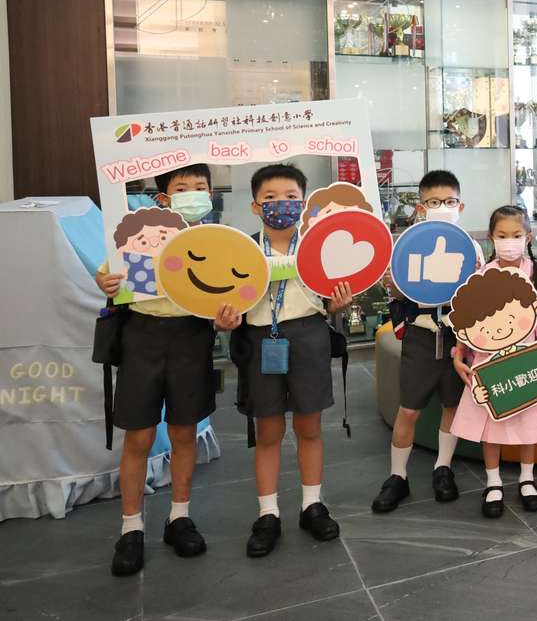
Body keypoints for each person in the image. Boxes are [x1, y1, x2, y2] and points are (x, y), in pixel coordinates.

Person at [96, 164, 237, 577]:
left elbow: (228, 294)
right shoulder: (141, 233)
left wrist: (226, 319)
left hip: (191, 338)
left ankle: (179, 517)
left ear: (210, 194)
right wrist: (106, 283)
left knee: (183, 431)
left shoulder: (215, 241)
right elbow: (107, 274)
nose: (193, 193)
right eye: (182, 187)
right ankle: (131, 528)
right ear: (163, 197)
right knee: (139, 435)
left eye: (201, 187)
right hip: (142, 336)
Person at [235, 163, 355, 559]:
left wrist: (338, 305)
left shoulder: (320, 248)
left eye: (290, 197)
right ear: (255, 206)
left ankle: (311, 506)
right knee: (268, 431)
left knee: (309, 427)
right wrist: (226, 318)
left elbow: (331, 299)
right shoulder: (242, 251)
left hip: (309, 337)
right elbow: (228, 299)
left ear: (303, 203)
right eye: (270, 198)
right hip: (260, 340)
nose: (281, 204)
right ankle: (267, 513)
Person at [450, 208, 537, 517]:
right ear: (491, 238)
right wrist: (458, 355)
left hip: (530, 361)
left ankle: (527, 479)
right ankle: (493, 482)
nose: (509, 241)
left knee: (528, 422)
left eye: (516, 235)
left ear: (528, 237)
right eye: (502, 235)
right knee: (492, 424)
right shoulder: (481, 276)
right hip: (489, 364)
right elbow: (467, 323)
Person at [371, 170, 482, 514]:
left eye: (449, 201)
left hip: (456, 336)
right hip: (419, 334)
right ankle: (397, 476)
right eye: (434, 202)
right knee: (409, 408)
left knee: (452, 405)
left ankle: (442, 468)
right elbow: (395, 290)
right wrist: (392, 285)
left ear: (460, 205)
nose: (442, 207)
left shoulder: (471, 246)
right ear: (421, 207)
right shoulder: (407, 244)